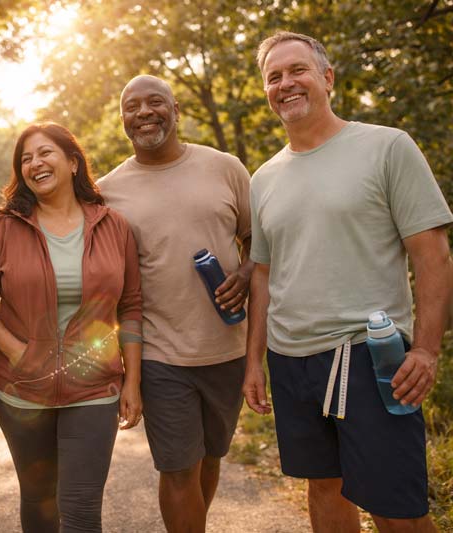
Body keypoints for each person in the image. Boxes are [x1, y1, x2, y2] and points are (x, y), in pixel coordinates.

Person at [244, 31, 453, 533]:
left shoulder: (386, 147)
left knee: (396, 507)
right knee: (323, 488)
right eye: (274, 77)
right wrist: (254, 361)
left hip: (368, 355)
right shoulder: (263, 179)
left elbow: (433, 255)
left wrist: (424, 350)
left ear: (327, 78)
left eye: (298, 70)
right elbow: (264, 275)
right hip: (290, 360)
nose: (286, 84)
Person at [0, 122, 143, 532]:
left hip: (95, 388)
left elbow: (131, 305)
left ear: (73, 162)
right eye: (25, 158)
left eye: (45, 153)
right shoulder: (6, 227)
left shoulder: (113, 226)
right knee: (40, 500)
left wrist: (132, 380)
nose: (35, 163)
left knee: (80, 508)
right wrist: (16, 351)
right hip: (20, 390)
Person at [95, 75, 253, 533]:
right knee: (178, 466)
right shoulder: (109, 191)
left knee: (210, 457)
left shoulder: (225, 168)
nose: (143, 112)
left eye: (154, 102)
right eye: (132, 106)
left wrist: (243, 273)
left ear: (176, 109)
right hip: (160, 351)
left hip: (227, 345)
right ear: (122, 119)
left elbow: (257, 242)